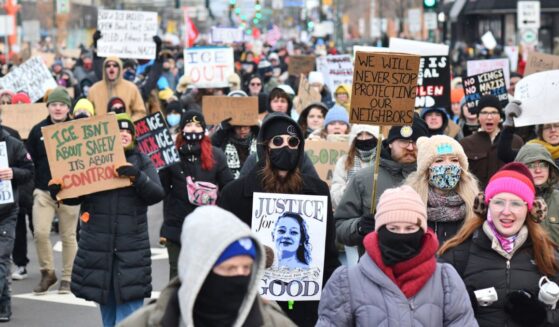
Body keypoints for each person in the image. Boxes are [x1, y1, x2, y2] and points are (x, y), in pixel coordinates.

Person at [217, 112, 341, 326]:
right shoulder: (234, 194)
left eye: (293, 142)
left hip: (305, 307)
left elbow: (328, 254)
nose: (286, 147)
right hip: (252, 306)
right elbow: (220, 250)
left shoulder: (317, 192)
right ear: (265, 147)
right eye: (278, 141)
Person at [49, 113, 165, 326]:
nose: (122, 135)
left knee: (130, 316)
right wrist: (60, 191)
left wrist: (137, 177)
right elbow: (76, 197)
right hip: (100, 251)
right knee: (109, 316)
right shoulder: (93, 162)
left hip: (131, 252)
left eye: (127, 131)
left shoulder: (142, 161)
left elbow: (156, 194)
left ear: (133, 136)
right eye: (118, 131)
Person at [317, 186, 477, 326]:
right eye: (393, 228)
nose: (401, 235)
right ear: (379, 231)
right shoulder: (346, 281)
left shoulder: (445, 280)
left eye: (409, 228)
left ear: (422, 232)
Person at [118, 206, 295, 327]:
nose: (240, 276)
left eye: (246, 268)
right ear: (200, 270)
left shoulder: (274, 323)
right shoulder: (149, 322)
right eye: (230, 268)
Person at [439, 162, 559, 327]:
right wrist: (462, 307)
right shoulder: (458, 253)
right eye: (499, 202)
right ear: (486, 205)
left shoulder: (548, 254)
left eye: (516, 203)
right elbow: (432, 310)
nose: (506, 211)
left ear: (530, 209)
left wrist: (542, 318)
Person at [334, 116, 429, 251]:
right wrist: (358, 227)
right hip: (374, 265)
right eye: (403, 141)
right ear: (390, 142)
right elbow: (338, 228)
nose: (410, 147)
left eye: (416, 142)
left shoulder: (431, 177)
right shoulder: (364, 178)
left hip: (423, 265)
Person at [159, 111, 234, 279]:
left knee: (205, 278)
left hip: (206, 228)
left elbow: (228, 188)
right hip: (176, 227)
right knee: (178, 278)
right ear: (181, 129)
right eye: (189, 125)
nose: (193, 129)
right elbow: (160, 190)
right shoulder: (171, 155)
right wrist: (156, 167)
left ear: (204, 129)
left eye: (197, 125)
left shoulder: (216, 155)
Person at [26, 88, 81, 295]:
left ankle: (67, 278)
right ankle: (47, 272)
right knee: (40, 232)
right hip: (43, 191)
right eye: (54, 104)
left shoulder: (77, 128)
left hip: (71, 191)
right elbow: (28, 160)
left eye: (62, 105)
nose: (57, 108)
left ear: (68, 107)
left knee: (69, 236)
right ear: (48, 107)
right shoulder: (36, 130)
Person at [405, 135, 479, 245]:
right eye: (439, 160)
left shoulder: (477, 206)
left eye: (454, 160)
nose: (448, 165)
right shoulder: (408, 204)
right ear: (426, 169)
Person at [0, 123, 34, 322]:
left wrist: (13, 173)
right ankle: (4, 304)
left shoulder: (12, 143)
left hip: (6, 212)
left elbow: (29, 170)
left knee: (2, 259)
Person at [460, 95, 524, 188]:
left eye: (494, 112)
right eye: (484, 112)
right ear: (478, 117)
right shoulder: (465, 143)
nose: (489, 117)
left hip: (507, 195)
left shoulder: (515, 140)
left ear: (500, 116)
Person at [515, 143, 559, 244]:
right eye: (531, 165)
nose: (538, 170)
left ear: (550, 169)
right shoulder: (512, 201)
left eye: (543, 165)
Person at [331, 124, 379, 209]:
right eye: (359, 135)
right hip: (350, 216)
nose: (364, 139)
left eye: (369, 134)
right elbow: (334, 199)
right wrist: (350, 187)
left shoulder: (384, 161)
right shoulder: (344, 161)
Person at [498, 101, 559, 166]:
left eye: (557, 126)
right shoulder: (532, 151)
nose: (553, 130)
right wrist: (509, 124)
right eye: (547, 127)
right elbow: (505, 154)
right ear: (540, 132)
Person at [211, 114, 259, 180]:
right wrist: (222, 129)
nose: (242, 129)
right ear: (233, 127)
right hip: (229, 183)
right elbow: (211, 146)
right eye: (238, 127)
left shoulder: (258, 140)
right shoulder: (224, 139)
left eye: (246, 126)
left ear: (251, 126)